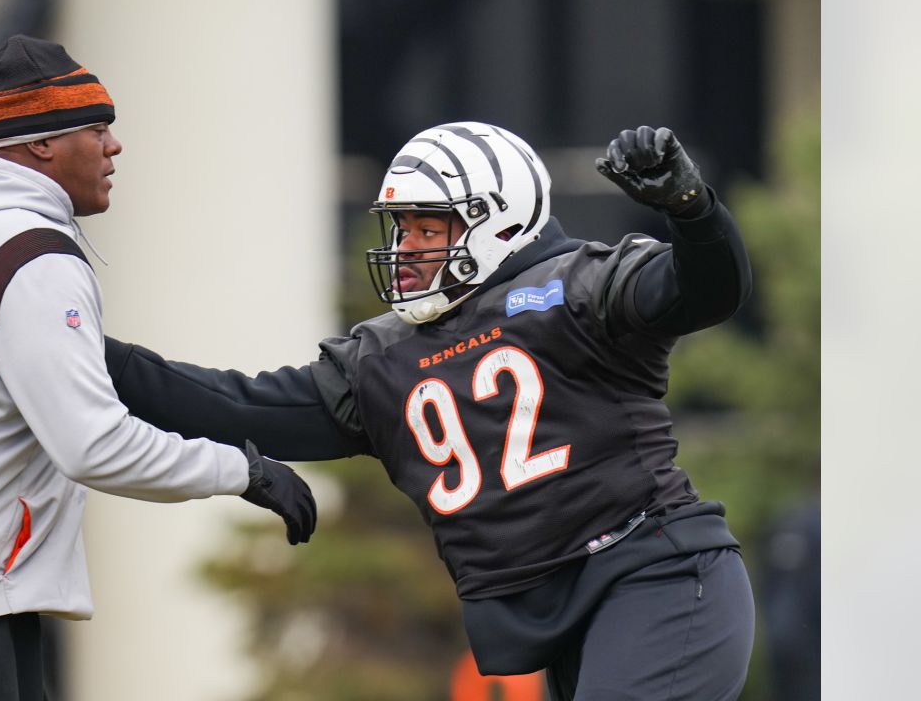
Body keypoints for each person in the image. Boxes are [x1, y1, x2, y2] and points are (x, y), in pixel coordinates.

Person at [104, 122, 756, 699]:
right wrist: (72, 349)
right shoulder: (386, 360)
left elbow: (708, 291)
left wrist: (690, 210)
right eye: (404, 227)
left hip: (657, 578)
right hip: (565, 617)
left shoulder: (579, 288)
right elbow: (231, 406)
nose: (408, 246)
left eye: (427, 226)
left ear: (495, 220)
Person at [0, 34, 316, 701]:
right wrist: (241, 469)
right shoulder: (31, 252)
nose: (114, 147)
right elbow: (93, 446)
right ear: (43, 143)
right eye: (97, 128)